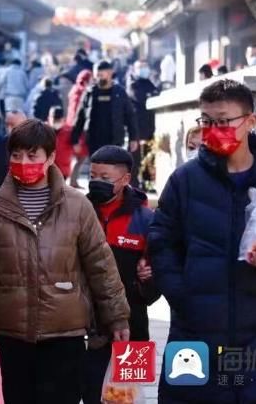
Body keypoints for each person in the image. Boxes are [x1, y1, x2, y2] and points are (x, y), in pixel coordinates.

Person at [149, 79, 256, 403]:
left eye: (223, 121)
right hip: (196, 333)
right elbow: (161, 242)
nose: (213, 129)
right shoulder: (185, 180)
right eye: (206, 121)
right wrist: (183, 296)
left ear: (250, 121)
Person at [0, 119, 131, 404]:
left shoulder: (77, 205)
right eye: (16, 155)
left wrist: (116, 315)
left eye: (32, 155)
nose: (23, 162)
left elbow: (100, 264)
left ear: (50, 157)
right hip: (13, 331)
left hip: (66, 329)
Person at [83, 146, 159, 404]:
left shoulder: (146, 219)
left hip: (134, 323)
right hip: (87, 325)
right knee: (91, 393)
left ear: (125, 179)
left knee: (128, 396)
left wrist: (147, 281)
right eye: (93, 176)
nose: (97, 183)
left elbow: (158, 279)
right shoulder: (79, 212)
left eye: (105, 178)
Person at [72, 60, 138, 159]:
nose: (99, 78)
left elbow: (130, 116)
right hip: (94, 141)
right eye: (97, 75)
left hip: (114, 139)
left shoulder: (119, 93)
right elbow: (80, 116)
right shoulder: (90, 93)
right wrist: (75, 139)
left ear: (110, 73)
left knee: (112, 170)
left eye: (101, 75)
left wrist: (133, 138)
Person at [128, 61, 159, 188]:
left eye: (145, 67)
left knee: (149, 155)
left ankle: (147, 183)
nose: (144, 70)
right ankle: (133, 184)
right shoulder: (133, 84)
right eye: (140, 68)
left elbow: (156, 95)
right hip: (137, 126)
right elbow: (141, 99)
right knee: (135, 157)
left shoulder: (149, 83)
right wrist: (150, 95)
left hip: (149, 126)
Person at [0, 110, 26, 197]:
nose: (9, 128)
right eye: (7, 124)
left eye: (13, 125)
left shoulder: (34, 145)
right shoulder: (1, 142)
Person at [66, 69, 93, 187]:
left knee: (78, 157)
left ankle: (73, 181)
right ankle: (73, 181)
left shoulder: (74, 91)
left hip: (72, 126)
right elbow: (79, 113)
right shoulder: (83, 92)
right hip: (79, 129)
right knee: (81, 157)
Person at [49, 106, 73, 179]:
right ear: (50, 118)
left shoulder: (69, 132)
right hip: (48, 169)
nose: (56, 122)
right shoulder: (44, 131)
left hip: (63, 170)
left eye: (58, 120)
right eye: (54, 120)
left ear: (63, 119)